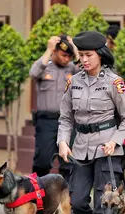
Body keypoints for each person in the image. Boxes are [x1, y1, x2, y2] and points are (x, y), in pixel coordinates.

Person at [57, 31, 125, 214]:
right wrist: (62, 142)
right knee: (78, 201)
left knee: (104, 204)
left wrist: (115, 141)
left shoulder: (114, 82)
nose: (85, 60)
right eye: (81, 55)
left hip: (107, 150)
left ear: (100, 55)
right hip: (80, 149)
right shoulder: (74, 81)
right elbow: (66, 118)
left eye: (89, 55)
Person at [29, 34, 79, 182]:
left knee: (69, 161)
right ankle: (38, 191)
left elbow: (86, 71)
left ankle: (66, 196)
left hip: (69, 121)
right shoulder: (45, 66)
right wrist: (48, 50)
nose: (66, 59)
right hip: (46, 121)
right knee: (43, 160)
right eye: (63, 55)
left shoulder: (73, 68)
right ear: (55, 52)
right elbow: (33, 73)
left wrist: (75, 48)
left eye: (69, 56)